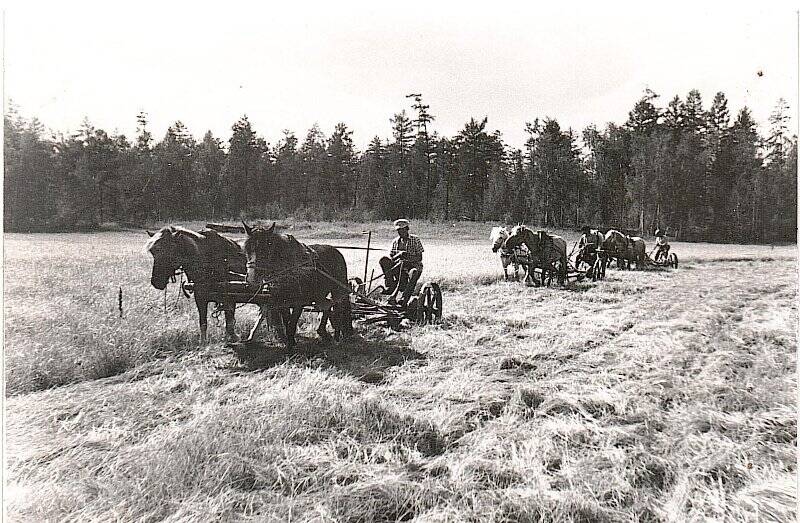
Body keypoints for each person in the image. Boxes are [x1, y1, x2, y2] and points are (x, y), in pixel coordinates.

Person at [378, 219, 424, 306]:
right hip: (399, 266)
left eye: (402, 230)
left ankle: (404, 298)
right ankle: (390, 286)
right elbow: (392, 257)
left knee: (413, 273)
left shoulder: (415, 239)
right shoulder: (395, 241)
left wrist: (407, 258)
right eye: (398, 230)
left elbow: (419, 257)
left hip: (413, 266)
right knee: (383, 260)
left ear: (407, 229)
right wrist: (399, 255)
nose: (400, 232)